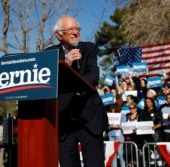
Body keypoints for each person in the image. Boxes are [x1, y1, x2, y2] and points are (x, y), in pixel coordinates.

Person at [45, 15, 108, 167]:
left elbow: (93, 76)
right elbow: (48, 81)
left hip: (90, 120)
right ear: (58, 35)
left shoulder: (89, 48)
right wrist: (66, 63)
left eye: (77, 29)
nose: (75, 32)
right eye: (70, 29)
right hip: (64, 121)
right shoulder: (49, 54)